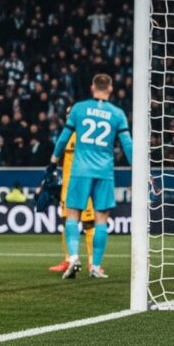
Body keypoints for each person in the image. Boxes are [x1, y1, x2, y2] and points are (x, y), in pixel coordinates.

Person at [49, 73, 132, 279]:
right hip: (104, 172)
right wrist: (138, 169)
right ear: (110, 89)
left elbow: (63, 139)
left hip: (80, 171)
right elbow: (128, 146)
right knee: (101, 220)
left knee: (72, 215)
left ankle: (74, 257)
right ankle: (95, 266)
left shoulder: (79, 108)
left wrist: (53, 160)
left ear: (92, 87)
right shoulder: (118, 113)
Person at [48, 125, 96, 274]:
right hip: (68, 188)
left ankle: (93, 263)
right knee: (68, 222)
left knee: (88, 223)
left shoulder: (89, 136)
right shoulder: (66, 136)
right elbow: (59, 161)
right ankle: (69, 260)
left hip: (85, 185)